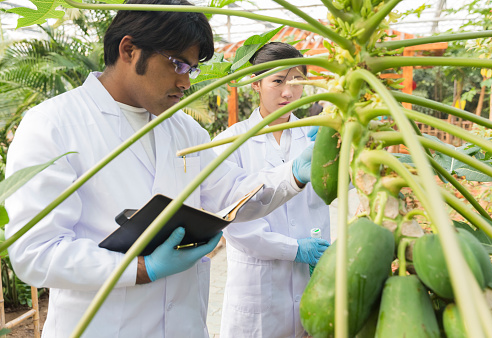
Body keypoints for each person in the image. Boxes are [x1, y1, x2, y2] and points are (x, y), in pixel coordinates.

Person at [4, 2, 315, 337]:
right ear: (129, 49)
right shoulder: (53, 125)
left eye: (192, 69)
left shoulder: (187, 132)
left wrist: (294, 174)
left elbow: (234, 195)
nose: (186, 82)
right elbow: (35, 252)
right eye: (178, 64)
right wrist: (142, 269)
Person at [213, 42, 331, 338]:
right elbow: (233, 222)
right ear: (256, 84)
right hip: (257, 292)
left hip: (312, 284)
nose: (288, 92)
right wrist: (294, 250)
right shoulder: (231, 141)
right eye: (278, 81)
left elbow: (343, 184)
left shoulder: (317, 135)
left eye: (297, 81)